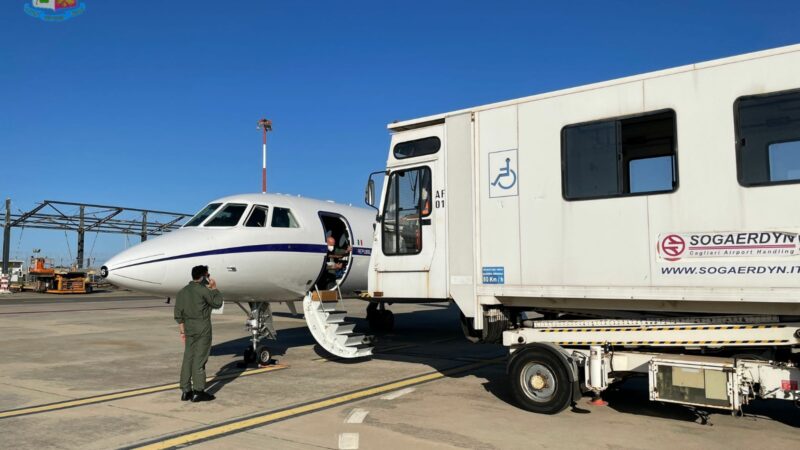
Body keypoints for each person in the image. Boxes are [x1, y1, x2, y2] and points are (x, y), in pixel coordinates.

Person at [174, 265, 223, 402]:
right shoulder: (203, 290)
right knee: (199, 360)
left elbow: (178, 314)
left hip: (188, 327)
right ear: (202, 277)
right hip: (202, 327)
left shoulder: (182, 292)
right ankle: (198, 391)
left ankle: (185, 390)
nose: (208, 278)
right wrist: (214, 288)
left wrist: (182, 330)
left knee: (188, 357)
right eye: (207, 276)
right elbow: (217, 303)